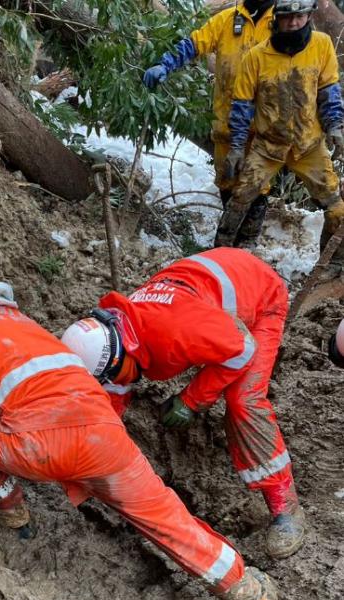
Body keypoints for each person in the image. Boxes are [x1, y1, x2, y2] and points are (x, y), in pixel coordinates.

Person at [0, 261, 279, 600]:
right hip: (106, 435)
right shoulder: (28, 325)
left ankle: (11, 509)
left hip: (41, 444)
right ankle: (245, 592)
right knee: (166, 517)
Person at [61, 247, 305, 560]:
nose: (117, 381)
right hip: (212, 287)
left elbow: (242, 349)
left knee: (243, 399)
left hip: (260, 295)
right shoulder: (113, 331)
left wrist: (191, 400)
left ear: (124, 352)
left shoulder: (174, 333)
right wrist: (86, 466)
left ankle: (286, 506)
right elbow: (112, 393)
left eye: (116, 373)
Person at [215, 0, 344, 257]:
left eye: (300, 16)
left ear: (309, 16)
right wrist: (237, 147)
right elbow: (242, 107)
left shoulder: (321, 45)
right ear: (277, 19)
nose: (294, 23)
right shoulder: (256, 57)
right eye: (288, 17)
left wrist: (335, 126)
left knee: (336, 208)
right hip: (268, 145)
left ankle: (331, 265)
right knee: (240, 197)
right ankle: (221, 253)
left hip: (309, 146)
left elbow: (328, 91)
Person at [142, 0, 275, 245]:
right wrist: (166, 64)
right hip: (227, 125)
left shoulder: (282, 23)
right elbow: (194, 43)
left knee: (258, 187)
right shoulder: (226, 20)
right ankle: (227, 248)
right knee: (228, 182)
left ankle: (245, 246)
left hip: (264, 130)